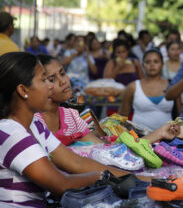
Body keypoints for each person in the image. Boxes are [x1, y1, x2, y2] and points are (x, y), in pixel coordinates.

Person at [0, 52, 136, 207]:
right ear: (23, 91)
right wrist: (100, 177)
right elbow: (61, 184)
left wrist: (140, 180)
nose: (51, 86)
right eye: (44, 80)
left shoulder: (33, 127)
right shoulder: (12, 134)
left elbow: (76, 162)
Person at [35, 54, 181, 146]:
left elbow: (106, 150)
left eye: (62, 73)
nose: (63, 82)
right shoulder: (33, 122)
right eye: (52, 79)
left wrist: (159, 133)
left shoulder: (71, 117)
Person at [120, 49, 176, 131]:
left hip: (168, 137)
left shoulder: (171, 85)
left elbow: (180, 113)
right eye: (148, 62)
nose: (152, 65)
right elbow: (123, 115)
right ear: (143, 65)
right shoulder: (133, 87)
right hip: (139, 137)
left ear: (162, 64)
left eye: (156, 61)